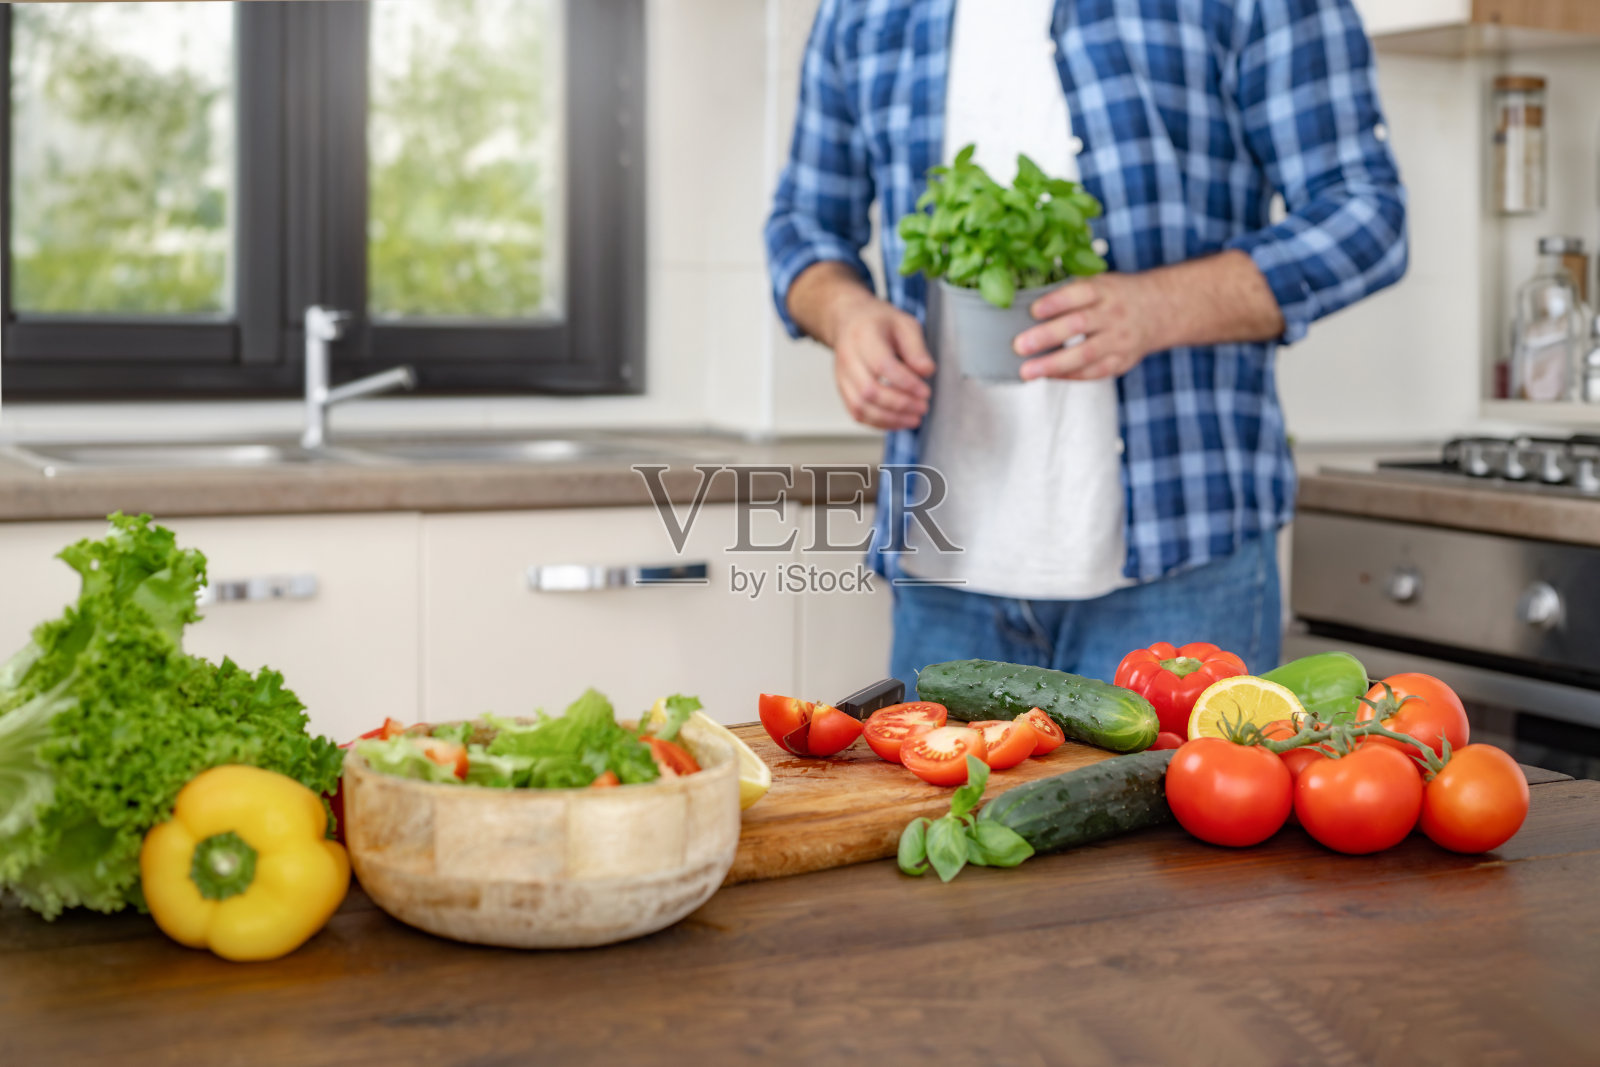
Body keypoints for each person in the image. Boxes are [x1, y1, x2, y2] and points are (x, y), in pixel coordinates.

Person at [764, 0, 1407, 687]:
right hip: (942, 572)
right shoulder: (861, 11)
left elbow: (1367, 213)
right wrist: (846, 315)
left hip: (1185, 560)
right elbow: (803, 224)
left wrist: (1161, 306)